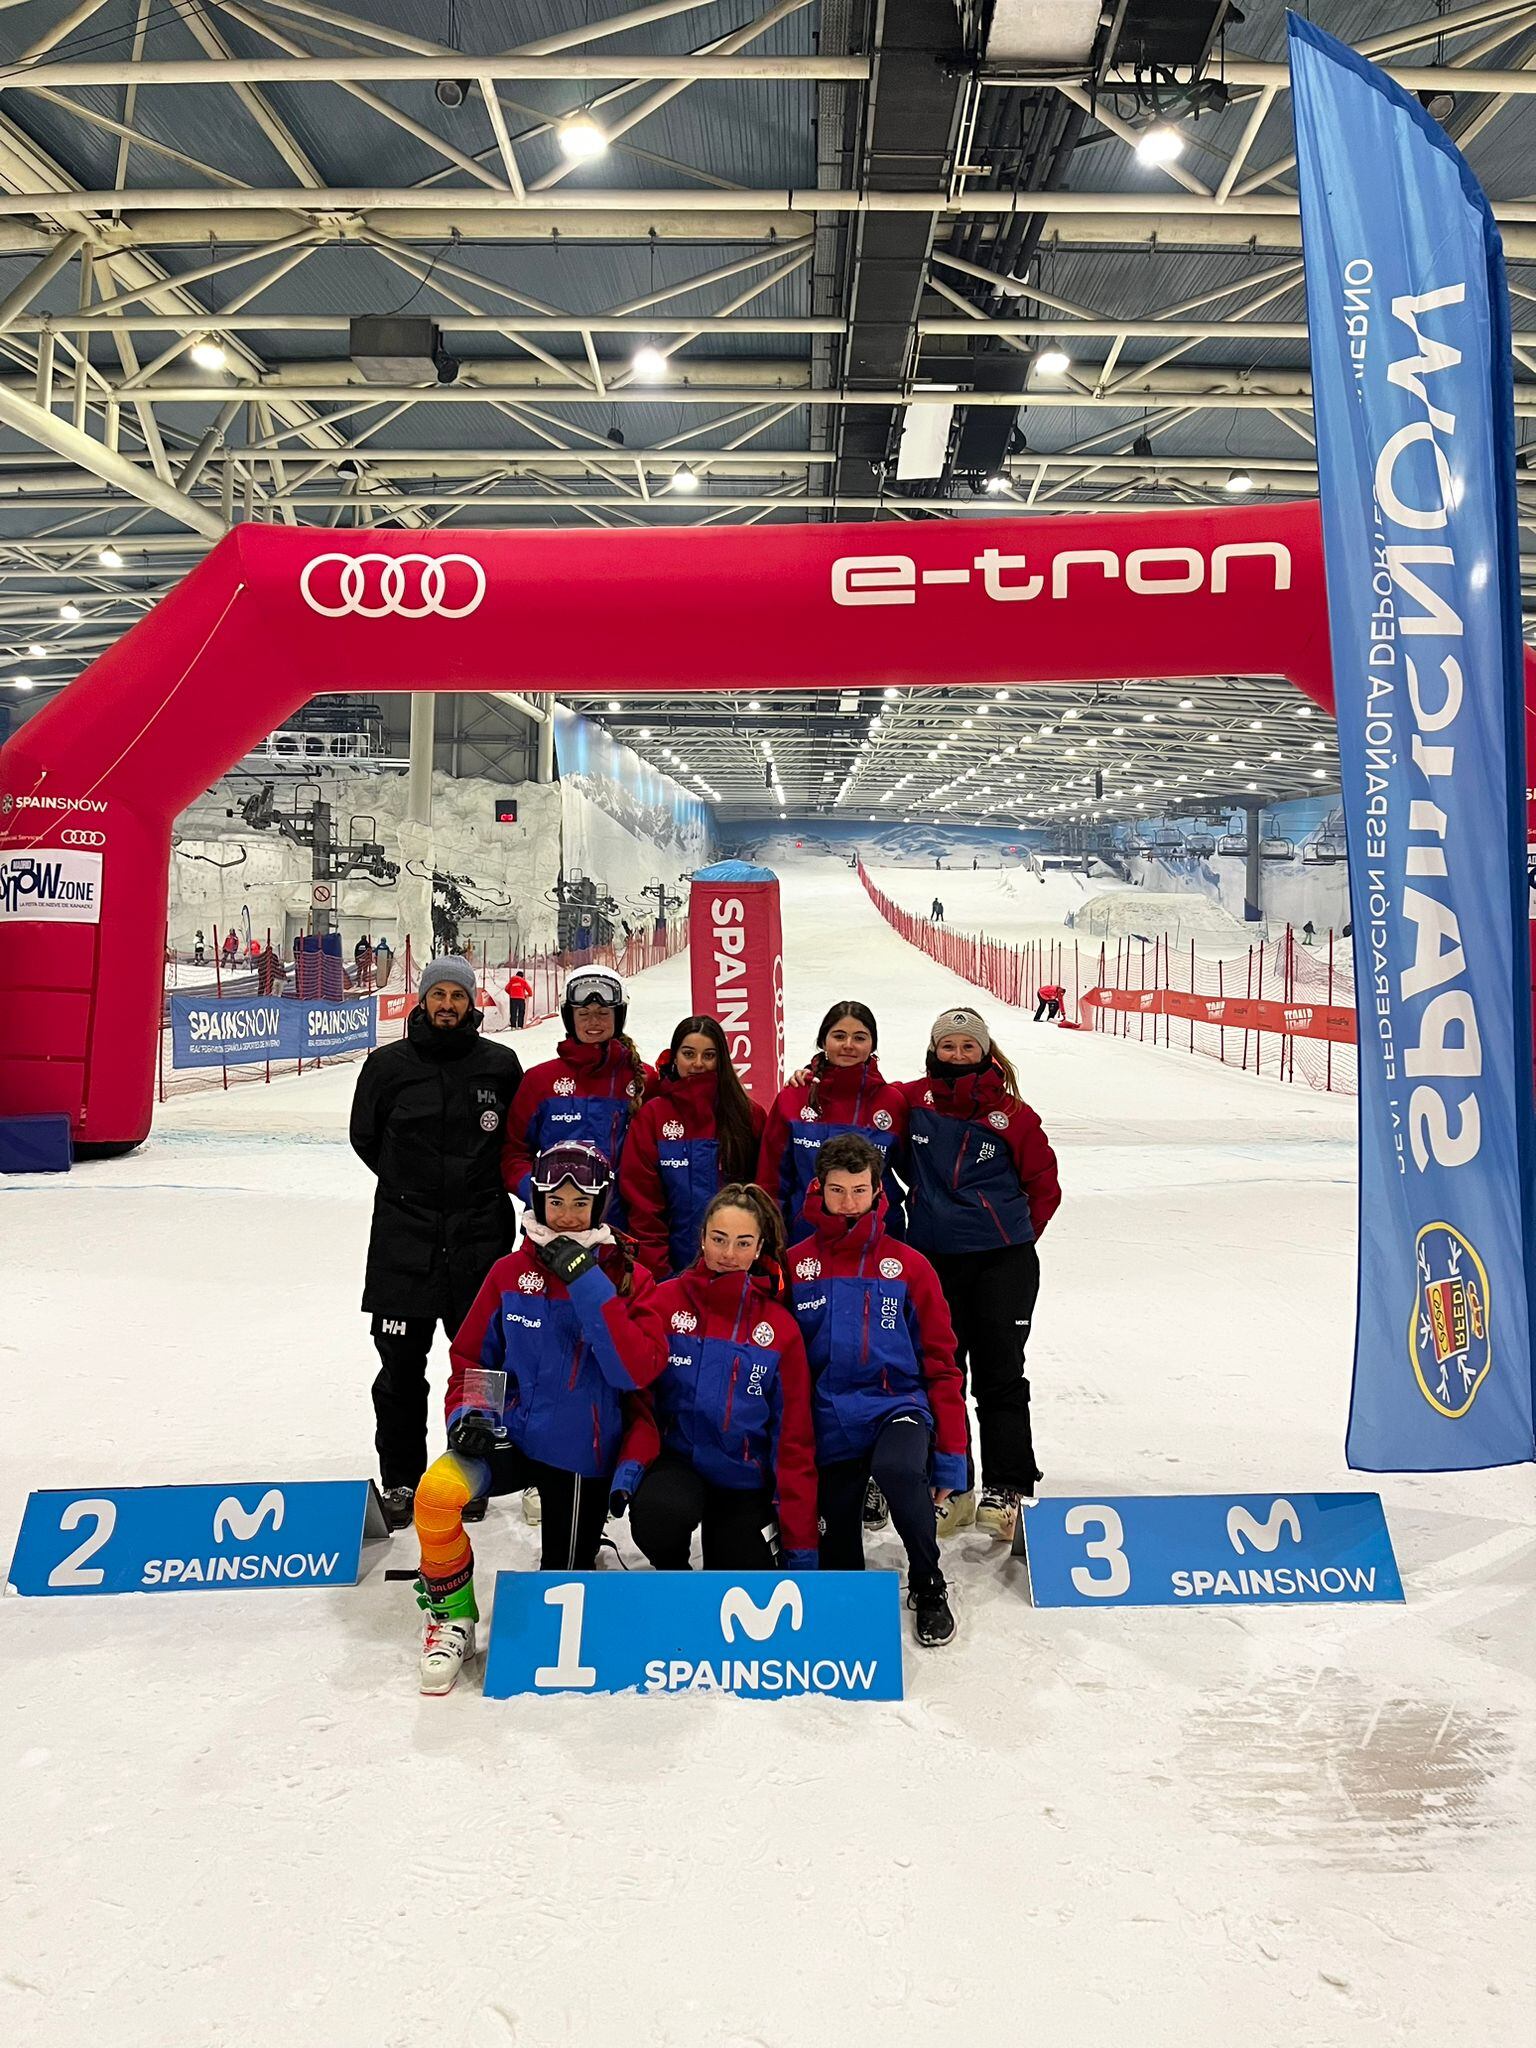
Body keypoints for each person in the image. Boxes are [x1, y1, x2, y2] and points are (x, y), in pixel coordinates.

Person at [413, 1140, 667, 1695]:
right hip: (513, 1435)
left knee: (562, 1584)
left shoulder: (630, 1279)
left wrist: (586, 1281)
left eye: (582, 1204)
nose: (568, 1216)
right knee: (434, 1497)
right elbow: (473, 1355)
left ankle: (581, 1542)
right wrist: (471, 1412)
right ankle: (451, 1616)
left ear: (601, 1207)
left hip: (580, 1452)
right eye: (556, 1202)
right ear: (538, 1202)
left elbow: (634, 1372)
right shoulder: (509, 1274)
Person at [349, 956, 524, 1532]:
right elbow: (366, 1138)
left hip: (479, 1242)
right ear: (421, 1001)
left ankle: (468, 1476)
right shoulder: (387, 1066)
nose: (447, 1004)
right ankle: (401, 1479)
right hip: (406, 1243)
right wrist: (412, 1193)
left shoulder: (499, 1066)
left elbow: (516, 1141)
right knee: (400, 1371)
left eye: (457, 995)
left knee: (481, 1367)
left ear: (472, 1002)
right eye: (437, 994)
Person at [787, 1135, 969, 1647]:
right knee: (839, 1547)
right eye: (838, 1190)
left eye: (860, 1190)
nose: (848, 1203)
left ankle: (929, 1582)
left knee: (898, 1468)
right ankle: (849, 1597)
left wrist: (952, 1457)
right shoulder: (794, 1265)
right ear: (818, 1189)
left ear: (877, 1191)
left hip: (897, 1406)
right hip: (828, 1417)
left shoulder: (910, 1267)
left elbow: (942, 1364)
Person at [900, 1006, 1059, 1544]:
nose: (959, 1056)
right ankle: (955, 1485)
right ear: (934, 1050)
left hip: (1001, 1264)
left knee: (1001, 1376)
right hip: (934, 1263)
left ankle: (1007, 1486)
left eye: (969, 1047)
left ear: (986, 1052)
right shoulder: (913, 1102)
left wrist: (1010, 1236)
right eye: (950, 1046)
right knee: (944, 1374)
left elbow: (1045, 1188)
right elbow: (862, 1090)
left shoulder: (1015, 1116)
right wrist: (814, 1072)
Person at [502, 967, 652, 1524]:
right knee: (549, 1348)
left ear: (618, 1018)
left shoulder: (639, 1081)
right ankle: (545, 1466)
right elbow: (514, 1153)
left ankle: (614, 1461)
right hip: (552, 1238)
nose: (594, 1019)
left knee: (611, 1350)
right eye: (584, 1011)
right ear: (569, 1017)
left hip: (616, 1243)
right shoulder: (542, 1081)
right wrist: (542, 1200)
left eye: (604, 1012)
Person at [613, 1183, 818, 1573]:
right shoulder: (663, 1301)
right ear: (702, 1237)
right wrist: (630, 1466)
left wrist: (802, 1549)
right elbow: (634, 1396)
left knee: (743, 1576)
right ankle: (675, 1579)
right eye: (719, 1239)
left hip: (742, 1478)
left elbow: (794, 1440)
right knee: (658, 1515)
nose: (728, 1254)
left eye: (743, 1243)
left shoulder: (780, 1328)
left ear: (759, 1248)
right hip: (677, 1462)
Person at [619, 1015, 765, 1279]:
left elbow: (764, 1194)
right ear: (674, 1057)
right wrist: (661, 1276)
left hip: (739, 1269)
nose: (698, 1063)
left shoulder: (748, 1115)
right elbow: (643, 1207)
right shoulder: (653, 1116)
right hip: (673, 1272)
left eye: (709, 1055)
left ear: (722, 1059)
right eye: (689, 1054)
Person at [758, 1000, 908, 1243]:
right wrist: (772, 1236)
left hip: (878, 1240)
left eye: (859, 1038)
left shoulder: (892, 1102)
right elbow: (772, 1179)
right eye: (839, 1036)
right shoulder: (793, 1098)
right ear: (823, 1041)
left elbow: (914, 1171)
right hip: (805, 1239)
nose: (848, 1045)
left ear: (872, 1045)